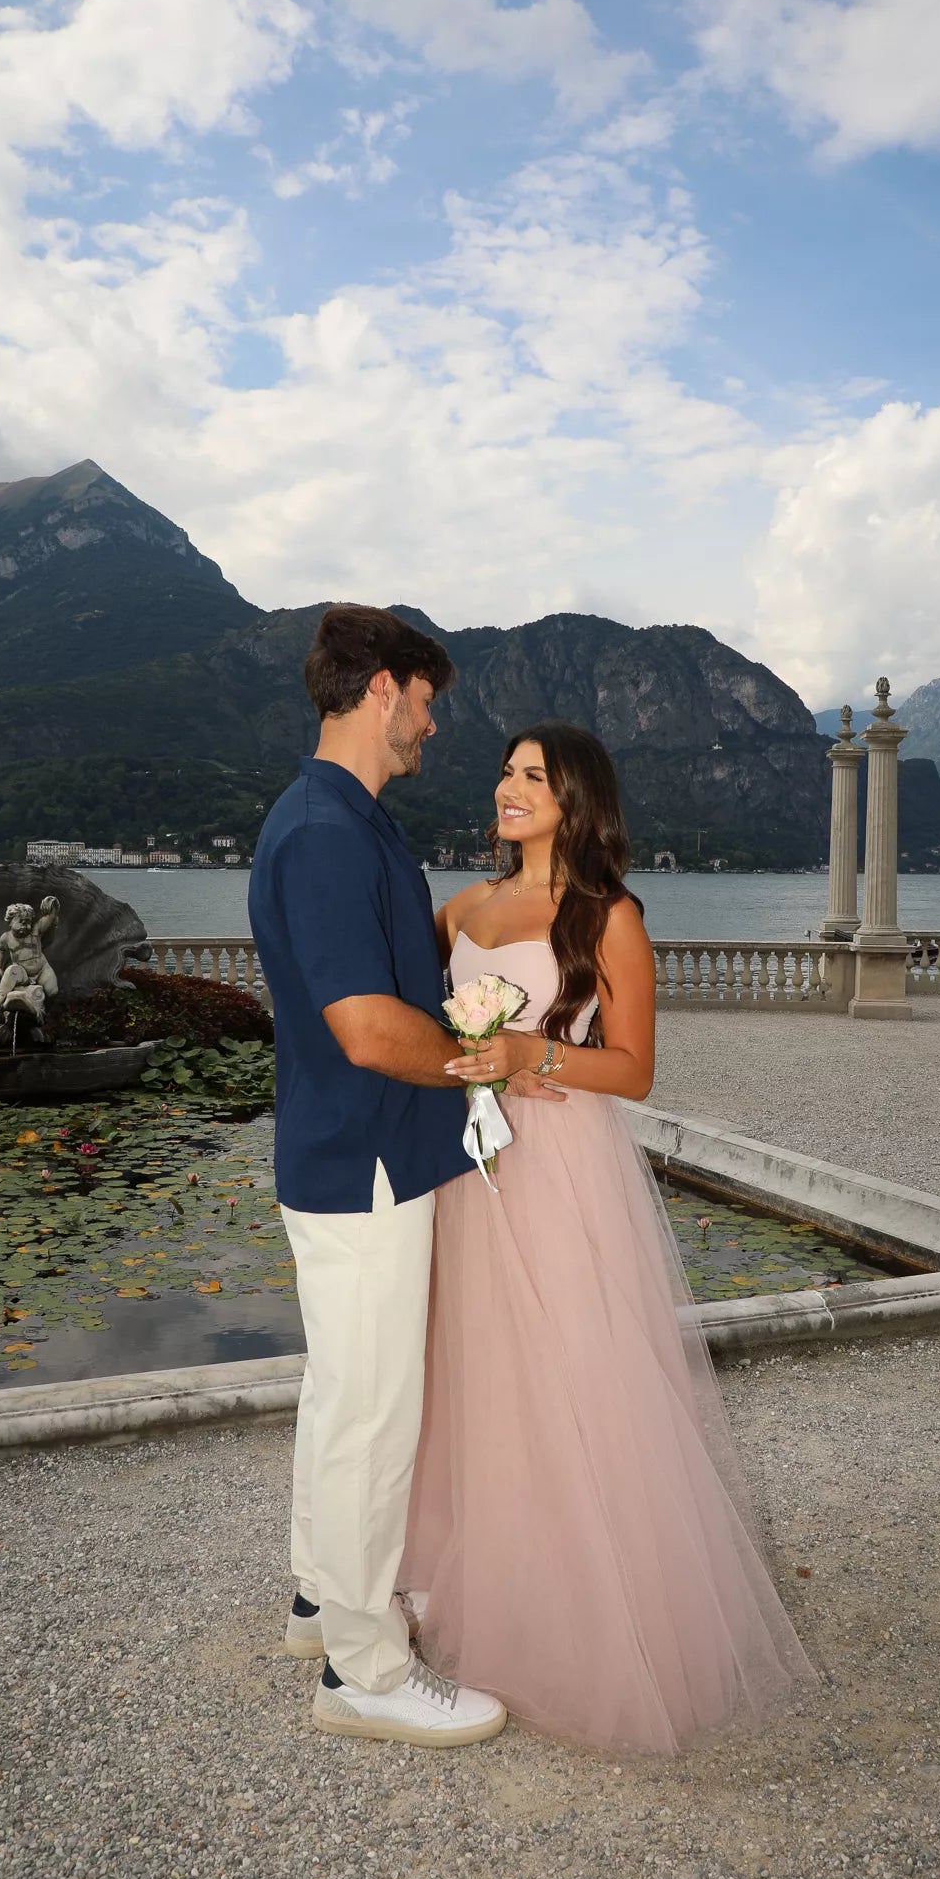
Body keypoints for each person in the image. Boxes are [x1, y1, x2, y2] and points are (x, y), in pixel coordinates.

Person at [400, 721, 818, 1753]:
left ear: (577, 798)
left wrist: (528, 1049)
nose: (508, 786)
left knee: (575, 1372)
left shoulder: (609, 916)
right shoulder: (459, 905)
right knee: (478, 1375)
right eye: (505, 770)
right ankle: (489, 1590)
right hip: (471, 1168)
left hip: (563, 1167)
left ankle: (597, 1619)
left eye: (532, 775)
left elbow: (633, 1068)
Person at [249, 606, 559, 1748]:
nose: (435, 722)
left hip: (356, 1149)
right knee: (373, 1412)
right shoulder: (327, 830)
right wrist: (485, 1062)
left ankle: (320, 1602)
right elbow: (371, 1028)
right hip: (365, 1154)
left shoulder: (348, 817)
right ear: (385, 687)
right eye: (429, 698)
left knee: (345, 1393)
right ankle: (363, 1670)